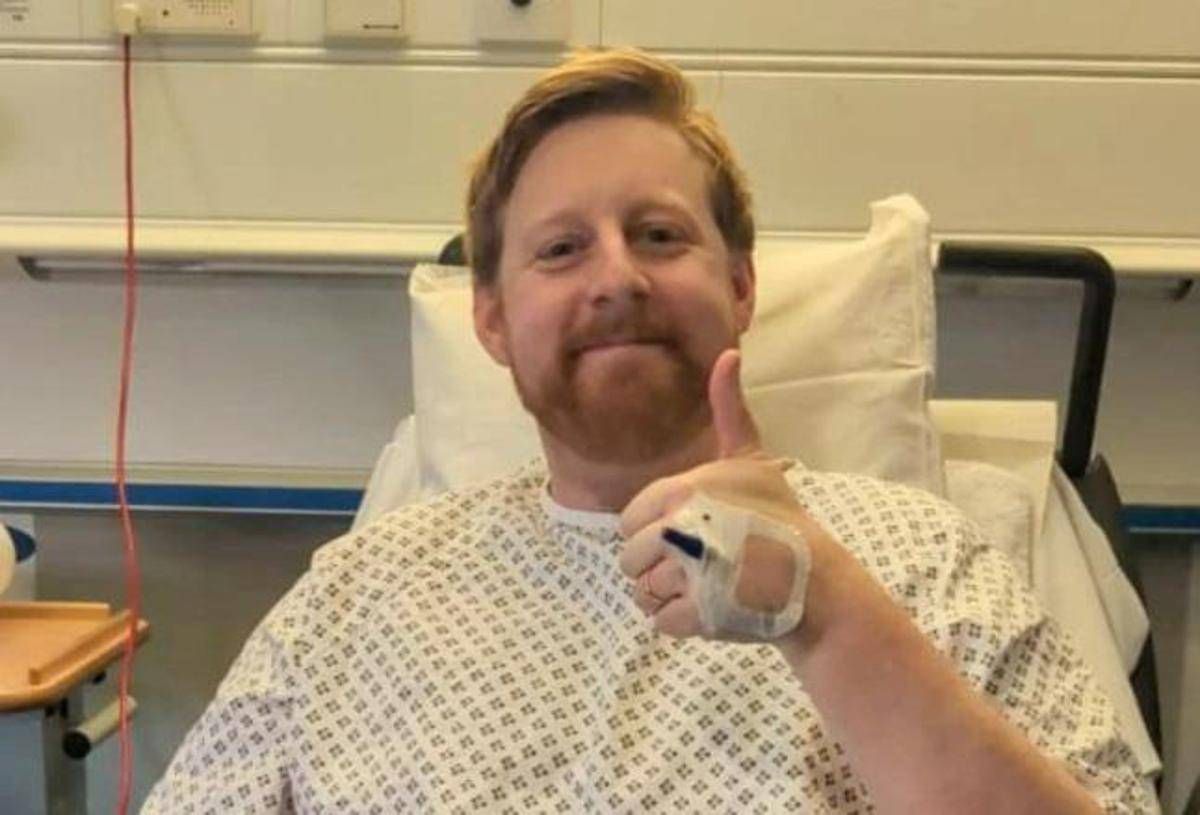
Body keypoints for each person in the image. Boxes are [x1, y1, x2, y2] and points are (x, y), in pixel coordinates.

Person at [143, 48, 1156, 813]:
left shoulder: (921, 563)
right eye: (561, 249)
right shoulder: (354, 600)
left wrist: (826, 610)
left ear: (742, 286)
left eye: (660, 234)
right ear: (490, 319)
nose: (617, 277)